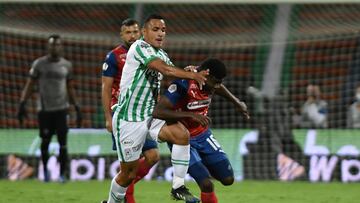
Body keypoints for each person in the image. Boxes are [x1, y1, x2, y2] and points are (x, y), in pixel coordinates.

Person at [104, 14, 208, 203]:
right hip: (129, 118)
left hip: (150, 114)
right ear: (144, 32)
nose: (161, 33)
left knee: (181, 134)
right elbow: (165, 70)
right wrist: (191, 76)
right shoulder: (139, 47)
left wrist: (188, 71)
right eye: (155, 29)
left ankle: (178, 186)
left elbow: (172, 73)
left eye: (163, 30)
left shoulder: (161, 54)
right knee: (128, 173)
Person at [152, 58, 249, 203]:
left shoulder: (211, 82)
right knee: (206, 184)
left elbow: (219, 87)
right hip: (183, 139)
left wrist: (236, 102)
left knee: (228, 179)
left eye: (220, 82)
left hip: (203, 135)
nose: (217, 86)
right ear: (206, 75)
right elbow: (158, 111)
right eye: (215, 81)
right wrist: (190, 115)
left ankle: (203, 164)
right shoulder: (183, 84)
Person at [101, 18, 159, 203]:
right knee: (128, 166)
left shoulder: (149, 52)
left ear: (140, 32)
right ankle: (126, 197)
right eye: (128, 32)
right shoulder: (114, 56)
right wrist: (108, 117)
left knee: (153, 156)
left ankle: (122, 188)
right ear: (122, 34)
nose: (132, 36)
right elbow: (106, 88)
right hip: (123, 115)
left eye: (135, 32)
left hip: (142, 113)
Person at [17, 34, 82, 183]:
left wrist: (77, 107)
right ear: (48, 46)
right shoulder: (39, 64)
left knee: (63, 143)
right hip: (44, 110)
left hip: (62, 109)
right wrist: (22, 103)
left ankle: (62, 175)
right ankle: (45, 171)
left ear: (61, 46)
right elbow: (30, 85)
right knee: (45, 141)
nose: (55, 47)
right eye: (52, 44)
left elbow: (70, 88)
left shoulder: (67, 65)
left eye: (57, 44)